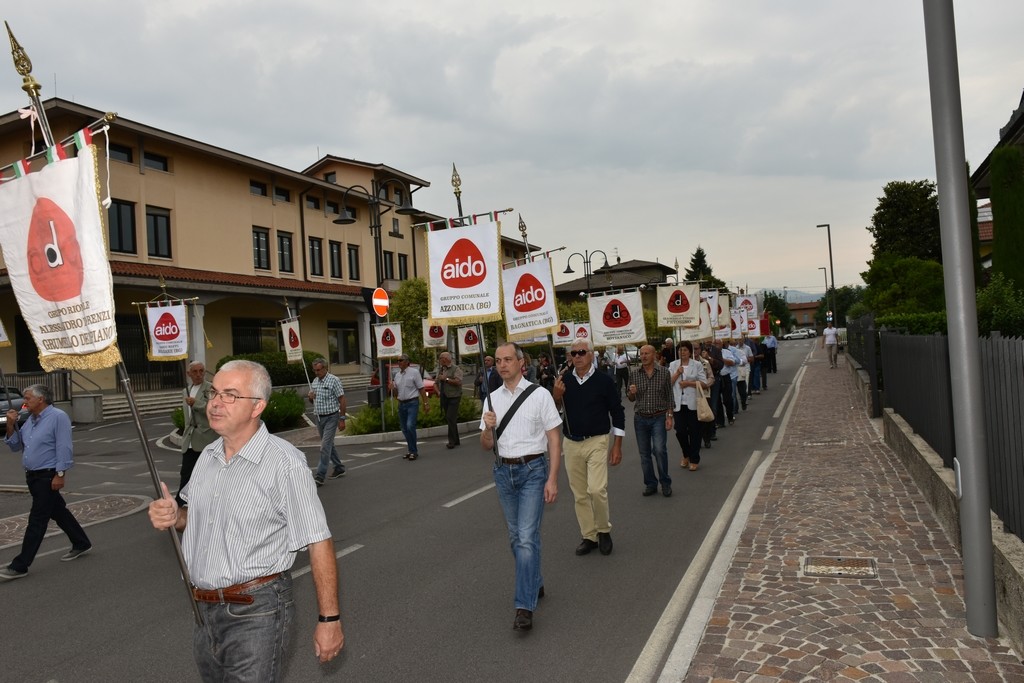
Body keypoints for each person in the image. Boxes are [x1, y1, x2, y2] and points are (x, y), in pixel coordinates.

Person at [148, 360, 343, 680]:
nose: (215, 402)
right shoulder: (207, 456)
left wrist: (329, 619)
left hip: (258, 610)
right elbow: (192, 520)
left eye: (230, 395)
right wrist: (174, 516)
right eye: (214, 393)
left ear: (257, 407)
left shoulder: (283, 463)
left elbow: (318, 539)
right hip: (204, 611)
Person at [480, 342, 562, 632]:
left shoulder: (539, 395)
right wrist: (488, 428)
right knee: (516, 538)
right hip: (503, 472)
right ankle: (534, 579)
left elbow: (554, 437)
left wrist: (552, 478)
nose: (502, 365)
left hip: (533, 471)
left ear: (520, 362)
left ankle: (524, 607)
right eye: (498, 360)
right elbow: (486, 445)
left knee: (527, 537)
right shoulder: (491, 399)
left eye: (507, 359)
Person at [1, 385, 92, 581]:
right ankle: (81, 542)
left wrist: (60, 474)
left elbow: (64, 446)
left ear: (41, 399)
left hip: (47, 476)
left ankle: (20, 564)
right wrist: (10, 424)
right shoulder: (29, 420)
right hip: (32, 476)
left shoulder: (58, 417)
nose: (25, 402)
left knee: (37, 519)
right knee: (57, 510)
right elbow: (16, 446)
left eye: (28, 398)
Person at [551, 339, 625, 557]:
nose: (577, 357)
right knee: (580, 494)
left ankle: (604, 530)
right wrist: (556, 397)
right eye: (573, 353)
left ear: (591, 354)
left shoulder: (604, 381)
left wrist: (617, 445)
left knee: (596, 489)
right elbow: (552, 414)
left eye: (582, 352)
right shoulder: (562, 381)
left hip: (597, 440)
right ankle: (589, 535)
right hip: (571, 442)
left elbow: (618, 412)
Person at [627, 345, 674, 497]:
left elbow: (669, 396)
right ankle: (650, 483)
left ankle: (665, 483)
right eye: (641, 354)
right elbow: (630, 397)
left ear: (654, 355)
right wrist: (632, 393)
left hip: (659, 417)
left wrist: (669, 416)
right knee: (644, 454)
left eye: (647, 353)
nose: (644, 356)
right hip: (640, 418)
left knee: (659, 450)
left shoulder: (664, 373)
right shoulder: (634, 374)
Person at [177, 360, 216, 507]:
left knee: (207, 474)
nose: (199, 374)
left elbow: (214, 409)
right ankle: (181, 503)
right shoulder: (186, 391)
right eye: (195, 371)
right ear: (189, 374)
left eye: (201, 371)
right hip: (190, 440)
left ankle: (205, 503)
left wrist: (197, 404)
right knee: (186, 472)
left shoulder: (210, 388)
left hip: (206, 438)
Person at [308, 357, 347, 487]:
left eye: (319, 370)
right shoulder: (314, 382)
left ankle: (320, 475)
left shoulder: (334, 380)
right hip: (319, 418)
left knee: (325, 446)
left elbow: (342, 399)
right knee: (329, 444)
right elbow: (313, 401)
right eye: (315, 370)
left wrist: (342, 419)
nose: (317, 372)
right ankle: (339, 467)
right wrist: (310, 398)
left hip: (332, 417)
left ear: (325, 368)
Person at [669, 341, 708, 471]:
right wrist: (677, 373)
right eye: (680, 350)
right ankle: (686, 454)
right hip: (678, 404)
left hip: (693, 404)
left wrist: (688, 383)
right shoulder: (673, 365)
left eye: (685, 350)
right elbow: (668, 383)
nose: (682, 352)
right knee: (680, 431)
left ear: (690, 352)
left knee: (695, 431)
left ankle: (694, 458)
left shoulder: (696, 365)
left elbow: (704, 383)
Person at [389, 354, 428, 461]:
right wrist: (393, 388)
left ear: (407, 361)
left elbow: (421, 388)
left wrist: (426, 403)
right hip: (401, 403)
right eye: (398, 361)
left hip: (412, 403)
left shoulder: (414, 373)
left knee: (410, 425)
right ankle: (411, 450)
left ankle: (414, 451)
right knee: (404, 428)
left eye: (401, 360)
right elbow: (396, 394)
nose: (399, 362)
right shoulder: (397, 375)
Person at [436, 352, 464, 448]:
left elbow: (458, 382)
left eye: (440, 358)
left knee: (450, 417)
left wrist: (446, 379)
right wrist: (438, 391)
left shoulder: (456, 369)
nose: (439, 360)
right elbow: (435, 382)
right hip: (445, 396)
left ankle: (451, 441)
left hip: (454, 396)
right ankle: (456, 440)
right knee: (451, 419)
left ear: (445, 359)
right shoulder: (441, 370)